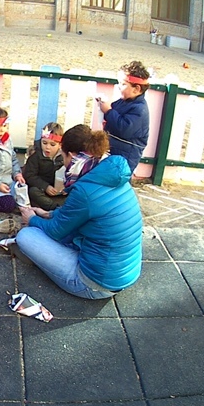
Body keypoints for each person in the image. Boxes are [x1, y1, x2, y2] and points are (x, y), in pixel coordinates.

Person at [15, 124, 143, 299]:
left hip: (94, 284)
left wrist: (31, 218)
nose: (64, 163)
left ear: (72, 156)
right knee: (65, 230)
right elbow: (79, 214)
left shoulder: (84, 191)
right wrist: (48, 214)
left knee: (26, 236)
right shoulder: (112, 175)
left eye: (63, 156)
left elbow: (55, 230)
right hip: (124, 273)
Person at [98, 60, 150, 173]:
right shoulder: (124, 101)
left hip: (126, 156)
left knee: (119, 177)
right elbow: (114, 110)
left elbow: (124, 129)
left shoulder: (140, 109)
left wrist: (108, 111)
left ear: (136, 89)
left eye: (123, 84)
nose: (118, 87)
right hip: (114, 149)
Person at [23, 122, 67, 211]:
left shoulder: (64, 156)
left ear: (60, 145)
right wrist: (45, 186)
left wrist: (66, 186)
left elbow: (71, 172)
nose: (47, 147)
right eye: (44, 143)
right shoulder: (35, 156)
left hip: (58, 190)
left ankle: (64, 206)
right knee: (33, 191)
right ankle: (54, 208)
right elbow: (29, 176)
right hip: (42, 188)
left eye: (52, 144)